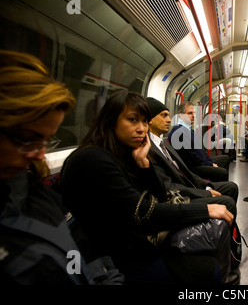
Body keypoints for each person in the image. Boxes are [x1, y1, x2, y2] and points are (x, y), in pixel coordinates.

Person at [59, 91, 234, 284]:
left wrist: (144, 165)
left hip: (131, 239)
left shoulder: (125, 155)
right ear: (110, 121)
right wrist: (205, 208)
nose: (141, 129)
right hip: (106, 254)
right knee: (209, 271)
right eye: (133, 120)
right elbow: (144, 212)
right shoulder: (94, 159)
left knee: (211, 246)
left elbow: (158, 195)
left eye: (144, 122)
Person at [0, 50, 123, 284]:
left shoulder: (32, 191)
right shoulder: (90, 159)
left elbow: (76, 250)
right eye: (26, 138)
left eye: (46, 141)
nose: (40, 154)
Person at [146, 97, 238, 212]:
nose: (169, 120)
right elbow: (190, 159)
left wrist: (205, 186)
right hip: (186, 181)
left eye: (194, 113)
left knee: (230, 183)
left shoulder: (164, 143)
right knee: (225, 186)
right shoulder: (151, 148)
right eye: (164, 115)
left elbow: (198, 152)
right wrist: (204, 190)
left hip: (187, 180)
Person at [169, 101, 232, 182]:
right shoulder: (180, 132)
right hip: (193, 168)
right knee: (223, 172)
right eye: (190, 113)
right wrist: (210, 164)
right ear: (181, 115)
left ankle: (218, 183)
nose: (193, 116)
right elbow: (192, 157)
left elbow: (199, 151)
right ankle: (218, 187)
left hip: (199, 162)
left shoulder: (188, 129)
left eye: (194, 113)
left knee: (225, 159)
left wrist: (210, 162)